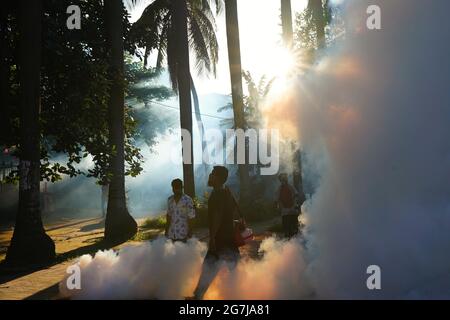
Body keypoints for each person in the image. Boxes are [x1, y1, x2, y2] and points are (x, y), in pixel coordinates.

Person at [191, 166, 240, 300]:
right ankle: (238, 293)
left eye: (212, 174)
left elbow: (217, 215)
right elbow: (234, 209)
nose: (210, 176)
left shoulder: (217, 194)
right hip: (229, 237)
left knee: (208, 267)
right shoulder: (226, 192)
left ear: (218, 178)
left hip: (220, 238)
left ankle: (197, 296)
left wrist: (212, 237)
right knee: (233, 269)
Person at [275, 173, 299, 238]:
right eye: (282, 179)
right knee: (286, 227)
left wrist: (295, 204)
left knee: (294, 226)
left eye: (284, 178)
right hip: (285, 211)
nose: (283, 180)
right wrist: (279, 207)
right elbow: (277, 199)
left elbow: (296, 195)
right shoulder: (279, 189)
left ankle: (295, 238)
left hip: (292, 209)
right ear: (280, 180)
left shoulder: (290, 186)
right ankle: (288, 239)